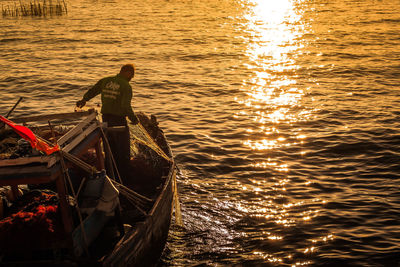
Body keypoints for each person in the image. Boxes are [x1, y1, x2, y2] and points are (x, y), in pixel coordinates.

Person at [76, 64, 139, 182]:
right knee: (123, 151)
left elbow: (93, 91)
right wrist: (134, 119)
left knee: (109, 148)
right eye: (132, 74)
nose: (133, 77)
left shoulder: (105, 81)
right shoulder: (126, 86)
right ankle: (124, 178)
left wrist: (84, 100)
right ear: (127, 72)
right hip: (119, 121)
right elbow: (126, 106)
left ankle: (110, 176)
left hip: (106, 120)